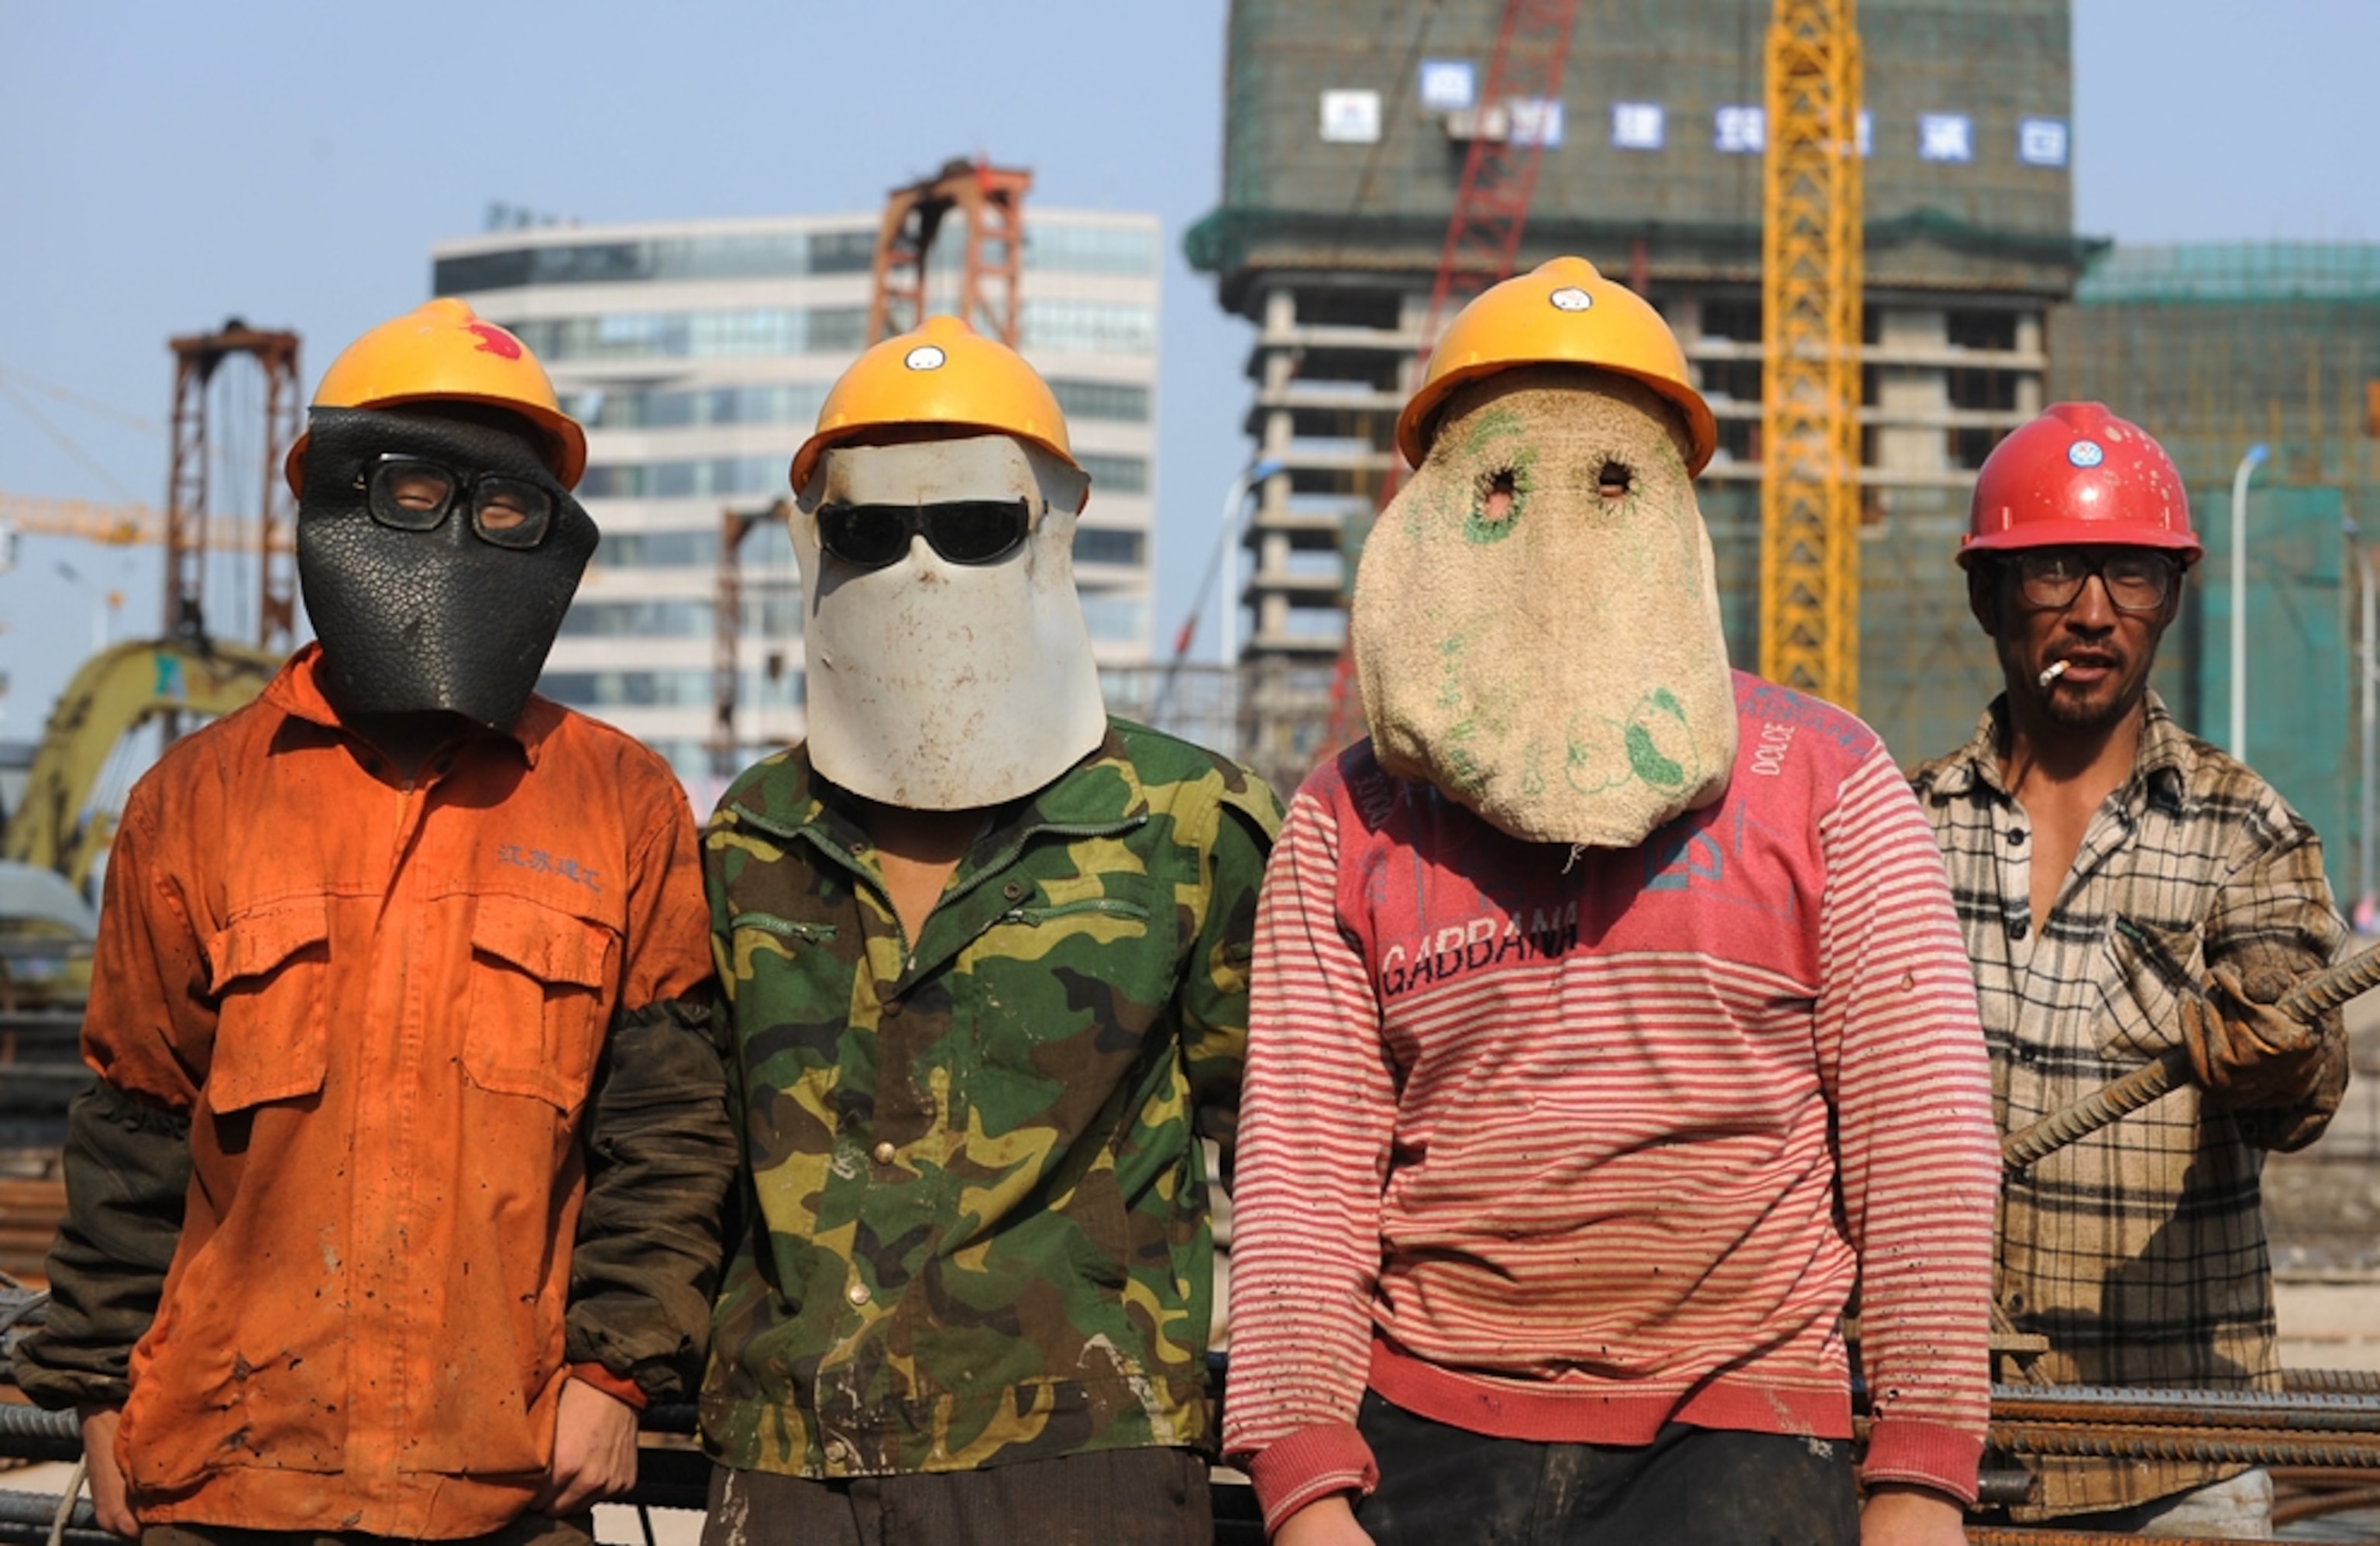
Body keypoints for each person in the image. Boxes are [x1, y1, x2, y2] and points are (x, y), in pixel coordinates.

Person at [1222, 258, 2000, 1546]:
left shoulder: (1820, 781)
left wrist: (1919, 1471)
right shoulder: (1348, 817)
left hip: (1739, 1428)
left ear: (1677, 505)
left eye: (1615, 481)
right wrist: (1305, 1481)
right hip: (1425, 1432)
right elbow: (1306, 1168)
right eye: (1504, 486)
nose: (1556, 534)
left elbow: (1919, 1135)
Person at [13, 298, 735, 1544]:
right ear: (338, 495)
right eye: (412, 485)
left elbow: (670, 1126)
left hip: (505, 1479)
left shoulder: (623, 803)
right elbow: (133, 1117)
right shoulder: (195, 800)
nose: (458, 530)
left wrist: (619, 1375)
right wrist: (90, 1395)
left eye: (504, 504)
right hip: (228, 1473)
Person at [695, 315, 1281, 1546]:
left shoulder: (1185, 824)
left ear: (1049, 525)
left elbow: (1286, 1147)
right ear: (822, 540)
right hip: (789, 1452)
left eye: (970, 528)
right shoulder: (753, 835)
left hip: (1085, 1454)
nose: (918, 567)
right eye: (869, 529)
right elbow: (692, 1143)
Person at [1911, 402, 2350, 1537]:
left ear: (2171, 600)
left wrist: (2270, 1054)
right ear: (1987, 596)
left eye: (2134, 578)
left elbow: (2297, 1056)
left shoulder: (2246, 832)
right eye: (2054, 569)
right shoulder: (1899, 829)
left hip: (2177, 1456)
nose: (2095, 613)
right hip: (1937, 1440)